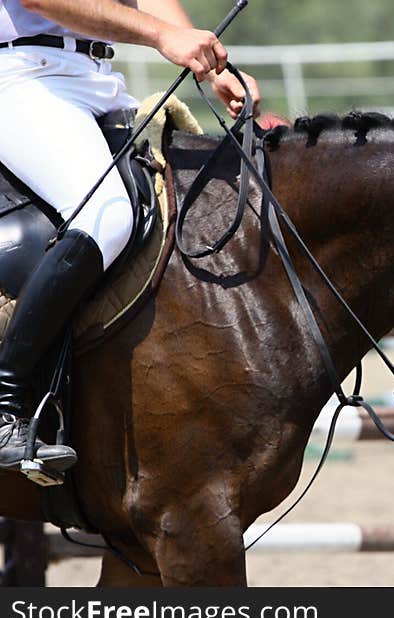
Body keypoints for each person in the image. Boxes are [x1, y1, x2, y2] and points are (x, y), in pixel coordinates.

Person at [0, 0, 261, 475]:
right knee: (107, 213)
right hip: (18, 75)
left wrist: (206, 60)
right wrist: (162, 37)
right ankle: (6, 400)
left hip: (93, 77)